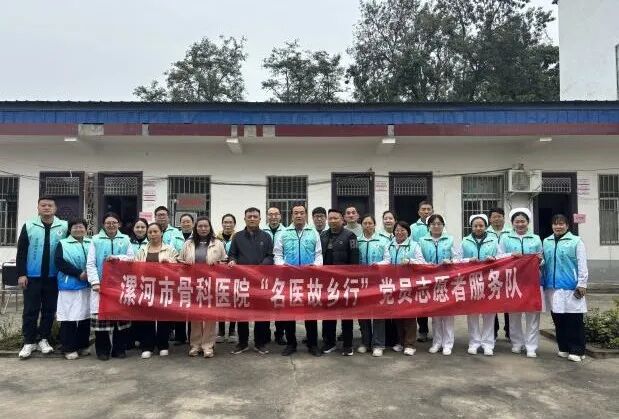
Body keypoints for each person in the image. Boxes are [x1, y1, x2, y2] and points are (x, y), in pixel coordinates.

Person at [17, 196, 68, 359]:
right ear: (38, 208)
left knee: (49, 310)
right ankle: (29, 341)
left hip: (54, 276)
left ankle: (43, 339)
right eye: (43, 205)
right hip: (32, 276)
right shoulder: (29, 225)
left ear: (55, 208)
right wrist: (21, 274)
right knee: (30, 310)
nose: (46, 208)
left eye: (49, 205)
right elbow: (21, 251)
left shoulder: (64, 226)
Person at [274, 203, 323, 356]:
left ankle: (312, 344)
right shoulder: (283, 233)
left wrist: (316, 265)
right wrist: (282, 265)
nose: (299, 215)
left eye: (302, 213)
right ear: (291, 215)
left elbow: (319, 254)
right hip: (289, 279)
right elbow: (277, 254)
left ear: (306, 215)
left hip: (309, 279)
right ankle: (291, 344)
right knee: (289, 312)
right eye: (296, 213)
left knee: (310, 312)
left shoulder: (313, 232)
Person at [86, 212, 134, 361]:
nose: (111, 225)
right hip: (101, 285)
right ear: (103, 224)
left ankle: (119, 349)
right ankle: (103, 350)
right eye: (108, 223)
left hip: (121, 285)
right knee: (102, 319)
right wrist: (95, 282)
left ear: (119, 224)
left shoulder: (125, 239)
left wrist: (117, 258)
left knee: (120, 318)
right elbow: (90, 263)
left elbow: (132, 259)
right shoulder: (95, 240)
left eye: (114, 222)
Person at [178, 216, 227, 358]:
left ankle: (208, 345)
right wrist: (184, 264)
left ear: (210, 228)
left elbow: (225, 260)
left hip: (211, 284)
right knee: (195, 315)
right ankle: (195, 345)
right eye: (200, 226)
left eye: (206, 226)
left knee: (210, 316)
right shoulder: (188, 243)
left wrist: (219, 264)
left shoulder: (218, 243)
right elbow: (179, 261)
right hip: (193, 284)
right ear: (196, 228)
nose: (203, 228)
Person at [543, 214, 589, 362]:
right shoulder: (547, 241)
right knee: (558, 318)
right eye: (555, 224)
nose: (558, 226)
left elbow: (582, 264)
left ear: (567, 226)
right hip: (553, 287)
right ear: (552, 226)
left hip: (570, 287)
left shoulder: (576, 242)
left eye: (561, 224)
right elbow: (545, 261)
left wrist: (582, 283)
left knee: (573, 319)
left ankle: (577, 350)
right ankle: (563, 347)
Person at [228, 207, 274, 355]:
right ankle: (242, 343)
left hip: (261, 281)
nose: (252, 219)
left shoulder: (266, 237)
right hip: (242, 281)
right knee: (242, 313)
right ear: (245, 219)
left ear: (260, 219)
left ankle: (260, 343)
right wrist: (233, 261)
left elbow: (270, 256)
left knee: (262, 313)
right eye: (250, 216)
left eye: (255, 216)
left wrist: (260, 268)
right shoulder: (237, 237)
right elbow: (232, 254)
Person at [499, 208, 543, 358]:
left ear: (528, 222)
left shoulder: (536, 239)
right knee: (514, 314)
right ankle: (517, 343)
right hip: (513, 281)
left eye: (522, 221)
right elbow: (500, 257)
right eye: (517, 221)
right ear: (512, 223)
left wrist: (539, 260)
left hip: (532, 281)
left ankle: (531, 346)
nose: (520, 224)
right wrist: (511, 255)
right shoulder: (505, 239)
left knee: (532, 314)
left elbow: (542, 258)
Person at [134, 222, 179, 359]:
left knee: (163, 317)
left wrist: (169, 263)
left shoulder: (169, 249)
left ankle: (163, 345)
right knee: (146, 317)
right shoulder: (142, 250)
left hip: (164, 286)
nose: (153, 234)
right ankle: (147, 346)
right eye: (150, 232)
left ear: (161, 233)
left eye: (155, 231)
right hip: (147, 287)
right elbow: (135, 267)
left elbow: (178, 268)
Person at [419, 214, 461, 356]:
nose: (436, 226)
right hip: (431, 280)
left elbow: (457, 257)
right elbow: (420, 259)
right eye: (433, 224)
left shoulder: (450, 239)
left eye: (439, 224)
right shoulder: (422, 241)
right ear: (429, 226)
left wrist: (451, 262)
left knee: (448, 313)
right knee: (435, 314)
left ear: (443, 225)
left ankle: (448, 344)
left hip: (447, 280)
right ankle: (437, 342)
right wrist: (426, 265)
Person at [320, 209, 360, 356]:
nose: (332, 221)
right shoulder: (323, 235)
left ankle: (348, 345)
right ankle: (329, 343)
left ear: (342, 220)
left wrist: (351, 278)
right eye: (330, 218)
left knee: (346, 314)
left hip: (344, 281)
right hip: (327, 282)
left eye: (335, 218)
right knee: (328, 314)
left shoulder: (350, 236)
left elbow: (355, 259)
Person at [461, 214, 501, 356]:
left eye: (481, 225)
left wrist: (494, 258)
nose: (478, 228)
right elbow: (458, 259)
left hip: (490, 281)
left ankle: (488, 344)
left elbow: (501, 256)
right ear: (471, 227)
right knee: (472, 313)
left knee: (489, 313)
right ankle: (474, 342)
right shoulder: (465, 241)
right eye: (475, 226)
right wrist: (468, 260)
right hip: (472, 281)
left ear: (485, 227)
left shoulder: (493, 240)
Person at [54, 218, 91, 360]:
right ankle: (68, 348)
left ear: (86, 229)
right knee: (69, 316)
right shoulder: (63, 243)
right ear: (70, 229)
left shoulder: (91, 242)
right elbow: (59, 263)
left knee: (85, 316)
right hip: (69, 285)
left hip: (87, 285)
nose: (78, 229)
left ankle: (82, 345)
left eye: (81, 227)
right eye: (75, 227)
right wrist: (78, 273)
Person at [388, 221, 425, 356]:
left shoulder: (414, 245)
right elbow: (386, 260)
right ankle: (400, 341)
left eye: (403, 230)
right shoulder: (389, 245)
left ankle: (410, 344)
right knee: (397, 314)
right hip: (393, 284)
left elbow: (422, 262)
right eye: (397, 230)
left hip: (409, 284)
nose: (400, 232)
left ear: (408, 232)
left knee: (409, 314)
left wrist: (410, 261)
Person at [357, 215, 390, 357]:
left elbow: (388, 260)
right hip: (361, 282)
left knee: (378, 313)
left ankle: (378, 344)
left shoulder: (383, 241)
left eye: (370, 223)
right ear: (362, 225)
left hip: (378, 281)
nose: (368, 225)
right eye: (365, 223)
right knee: (363, 313)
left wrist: (378, 265)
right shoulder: (357, 241)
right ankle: (365, 342)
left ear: (375, 225)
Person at [263, 206, 287, 346]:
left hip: (281, 274)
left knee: (280, 304)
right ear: (267, 216)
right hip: (264, 274)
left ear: (280, 216)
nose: (273, 217)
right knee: (265, 303)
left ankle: (280, 334)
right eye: (270, 214)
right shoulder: (262, 231)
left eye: (276, 214)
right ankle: (265, 333)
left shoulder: (286, 231)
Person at [488, 207, 511, 340]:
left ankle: (509, 330)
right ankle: (494, 330)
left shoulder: (511, 232)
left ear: (503, 218)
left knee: (508, 300)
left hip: (507, 271)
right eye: (494, 217)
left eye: (499, 216)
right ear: (490, 219)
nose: (497, 219)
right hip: (491, 273)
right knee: (492, 301)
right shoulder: (485, 233)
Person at [411, 201, 433, 342]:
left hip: (435, 269)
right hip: (419, 269)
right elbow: (411, 246)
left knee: (437, 298)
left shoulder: (439, 225)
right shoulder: (413, 228)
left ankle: (439, 333)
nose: (426, 212)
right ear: (419, 212)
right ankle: (423, 331)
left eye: (428, 209)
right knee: (421, 300)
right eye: (423, 209)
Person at [216, 213, 237, 343]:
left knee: (234, 302)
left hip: (235, 274)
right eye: (225, 222)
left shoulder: (238, 237)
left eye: (230, 222)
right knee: (221, 302)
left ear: (234, 224)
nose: (228, 225)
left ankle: (232, 331)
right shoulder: (215, 238)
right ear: (222, 223)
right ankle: (221, 331)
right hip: (220, 275)